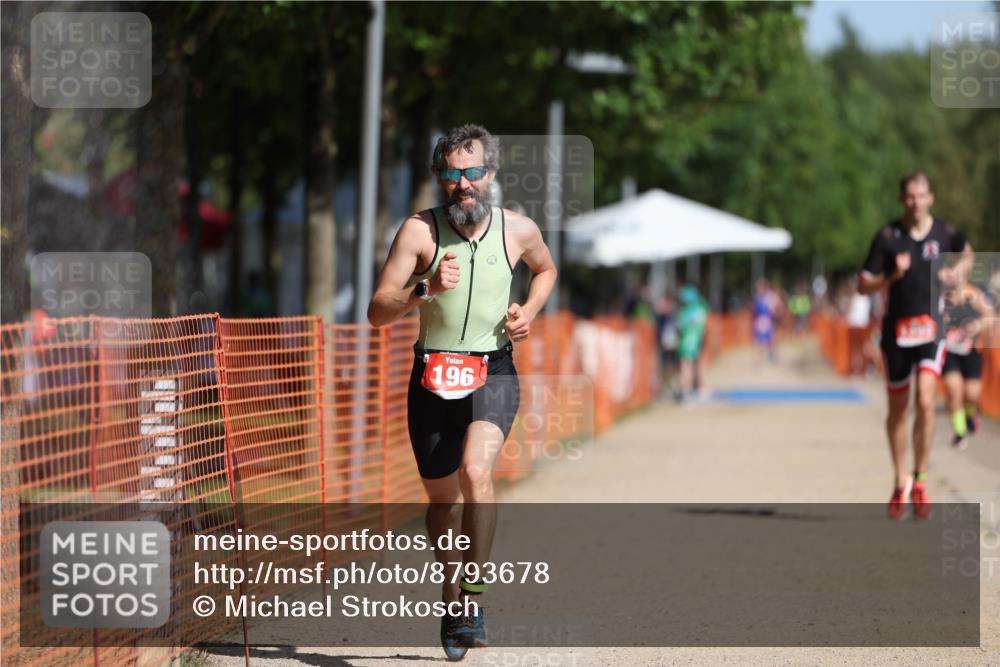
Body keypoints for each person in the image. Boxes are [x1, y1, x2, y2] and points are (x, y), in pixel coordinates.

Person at [367, 124, 557, 659]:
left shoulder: (518, 230)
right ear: (438, 178)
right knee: (441, 505)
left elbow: (546, 270)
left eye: (472, 172)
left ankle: (472, 598)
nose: (462, 184)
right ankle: (451, 594)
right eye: (451, 174)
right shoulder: (418, 234)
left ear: (490, 176)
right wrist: (423, 289)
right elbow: (377, 311)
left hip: (493, 370)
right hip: (431, 377)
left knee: (477, 471)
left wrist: (529, 312)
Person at [858, 170, 973, 520]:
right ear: (901, 199)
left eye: (921, 196)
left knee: (925, 398)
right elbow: (863, 285)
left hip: (931, 330)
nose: (916, 202)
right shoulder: (888, 236)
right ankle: (900, 478)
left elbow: (967, 255)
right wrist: (890, 276)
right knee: (897, 410)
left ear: (931, 198)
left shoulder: (946, 233)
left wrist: (958, 273)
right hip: (897, 333)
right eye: (910, 196)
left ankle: (921, 477)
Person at [941, 275, 995, 449]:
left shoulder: (974, 293)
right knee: (953, 389)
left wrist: (977, 326)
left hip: (971, 349)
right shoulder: (940, 296)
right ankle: (959, 432)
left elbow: (990, 316)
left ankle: (969, 414)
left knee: (971, 393)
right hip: (949, 351)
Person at [675, 284, 709, 402]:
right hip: (698, 340)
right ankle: (701, 389)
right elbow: (704, 325)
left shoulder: (685, 312)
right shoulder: (701, 309)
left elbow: (680, 327)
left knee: (686, 367)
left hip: (687, 342)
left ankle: (685, 390)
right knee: (698, 366)